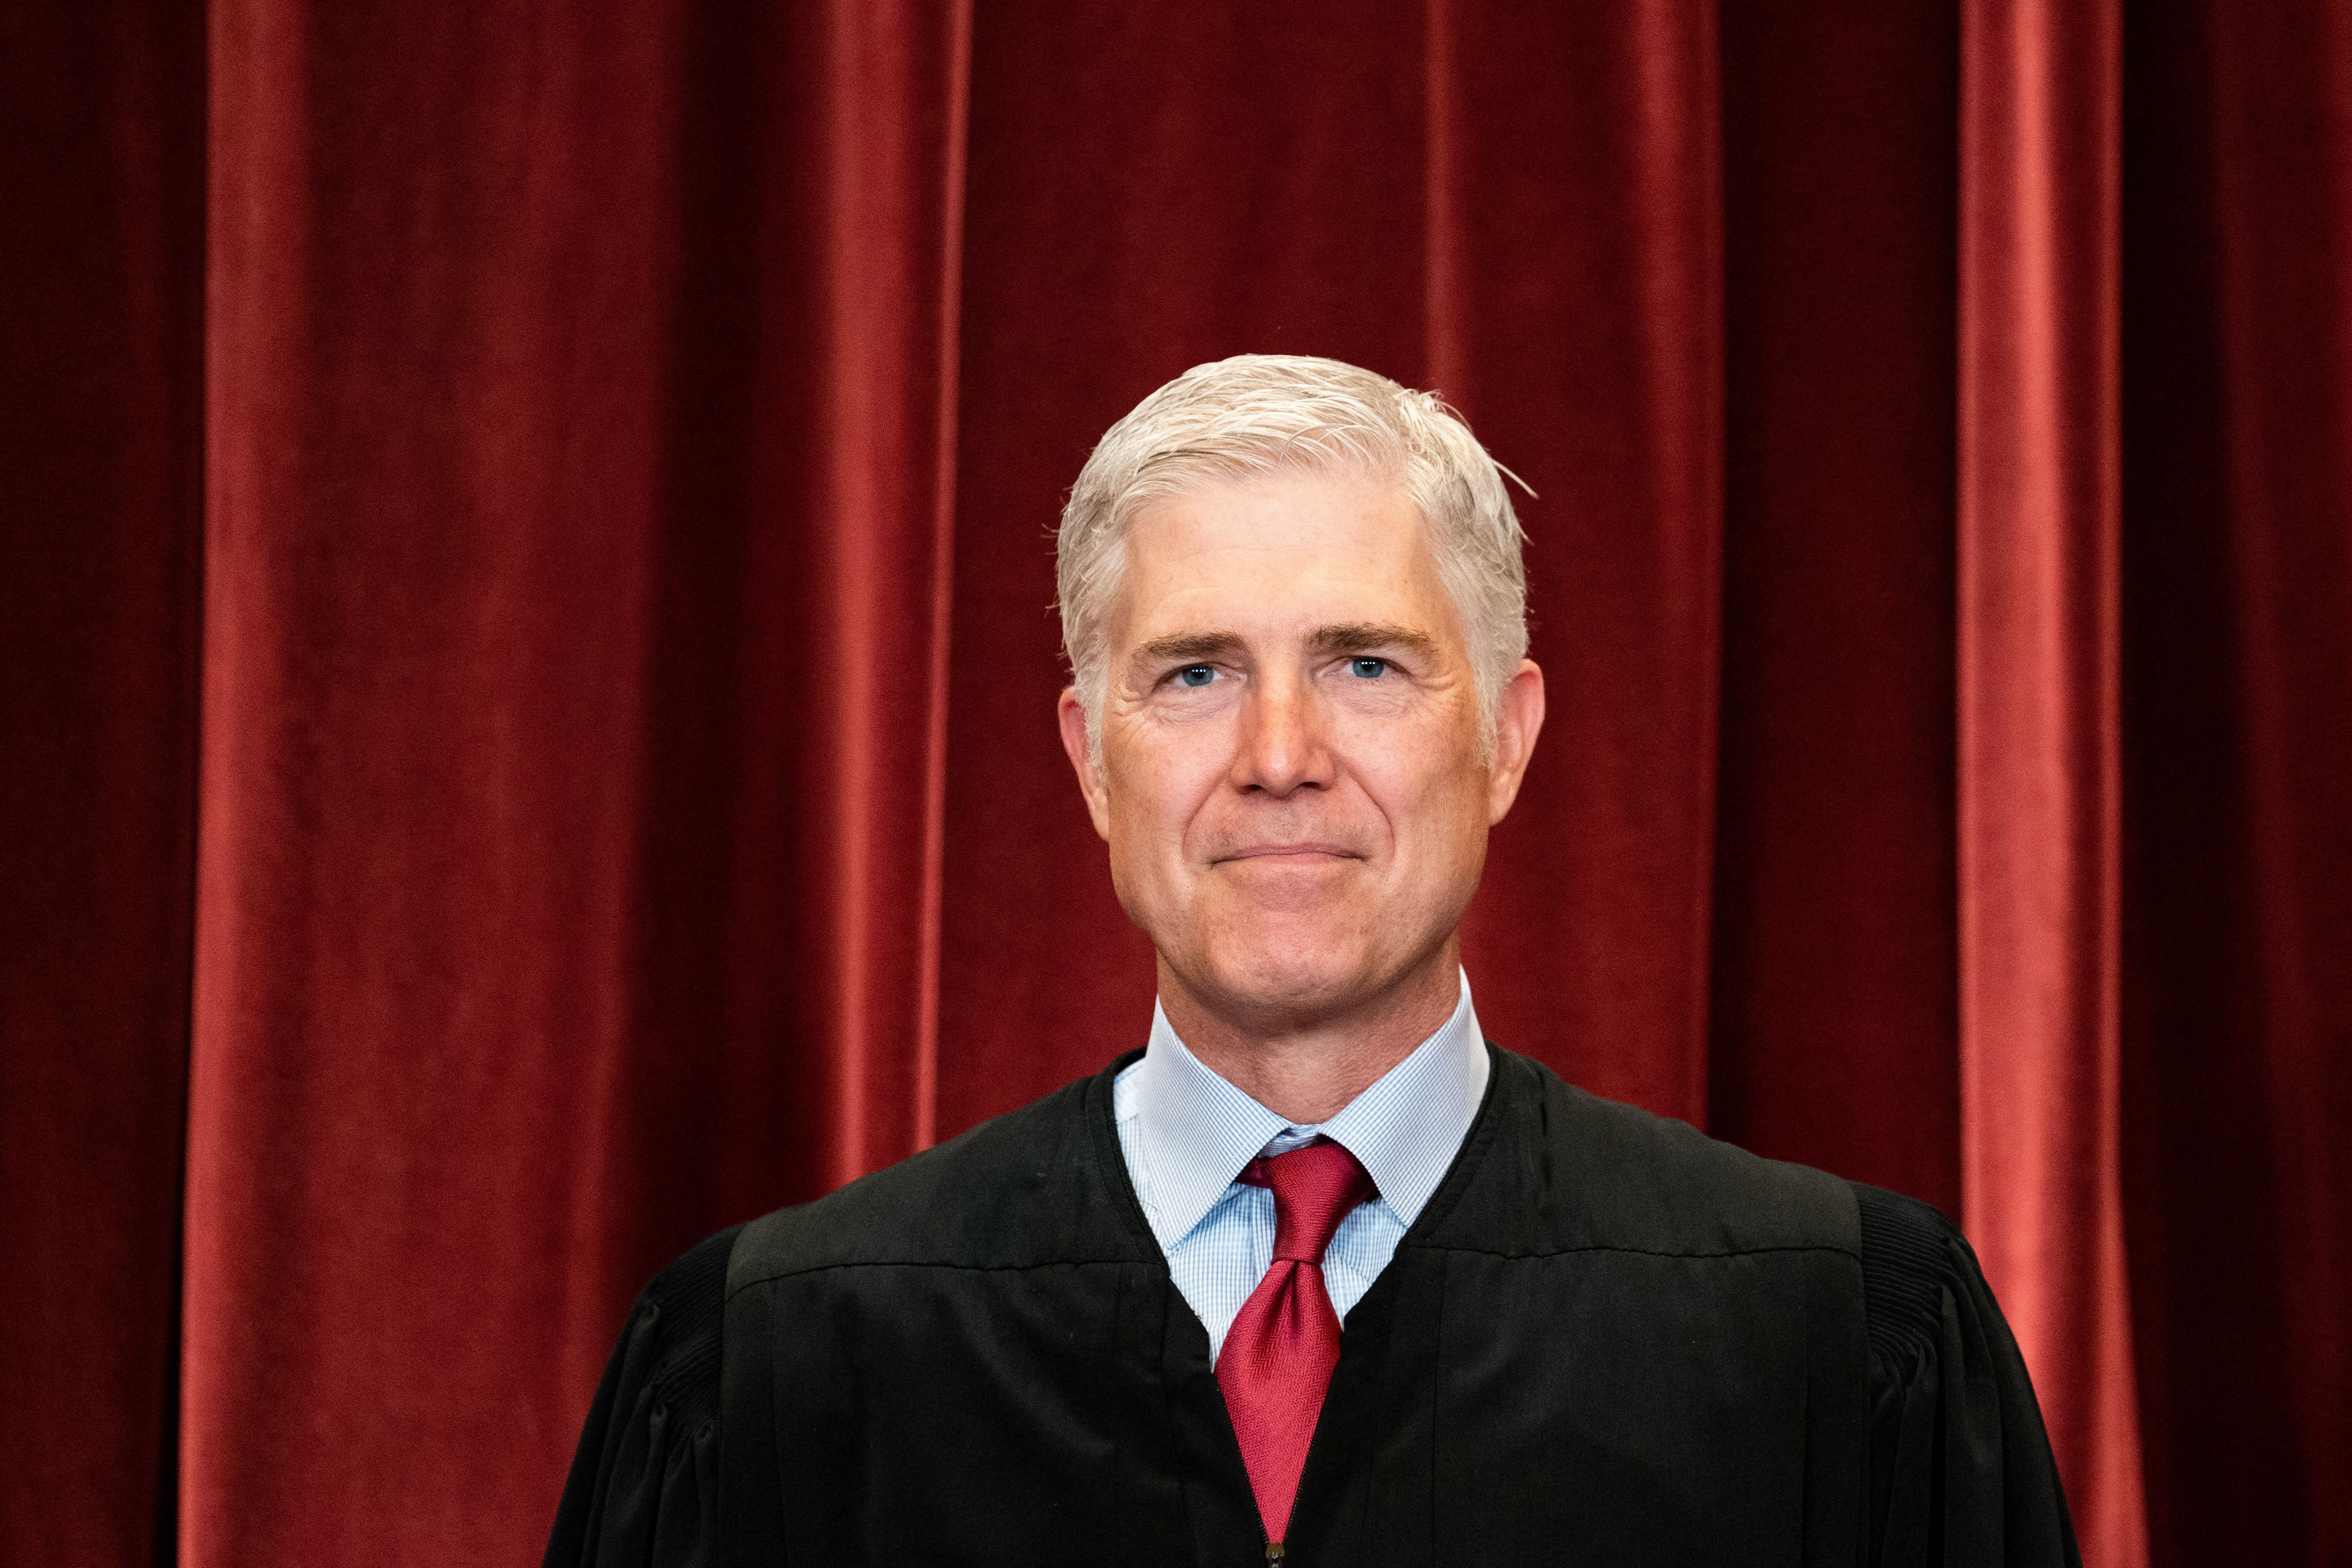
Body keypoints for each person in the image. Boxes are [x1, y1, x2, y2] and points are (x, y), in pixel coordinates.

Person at [544, 356, 2077, 1566]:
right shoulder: (770, 1367)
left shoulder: (1837, 1344)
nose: (1280, 756)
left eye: (1364, 664)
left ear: (1504, 737)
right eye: (1195, 673)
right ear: (1091, 761)